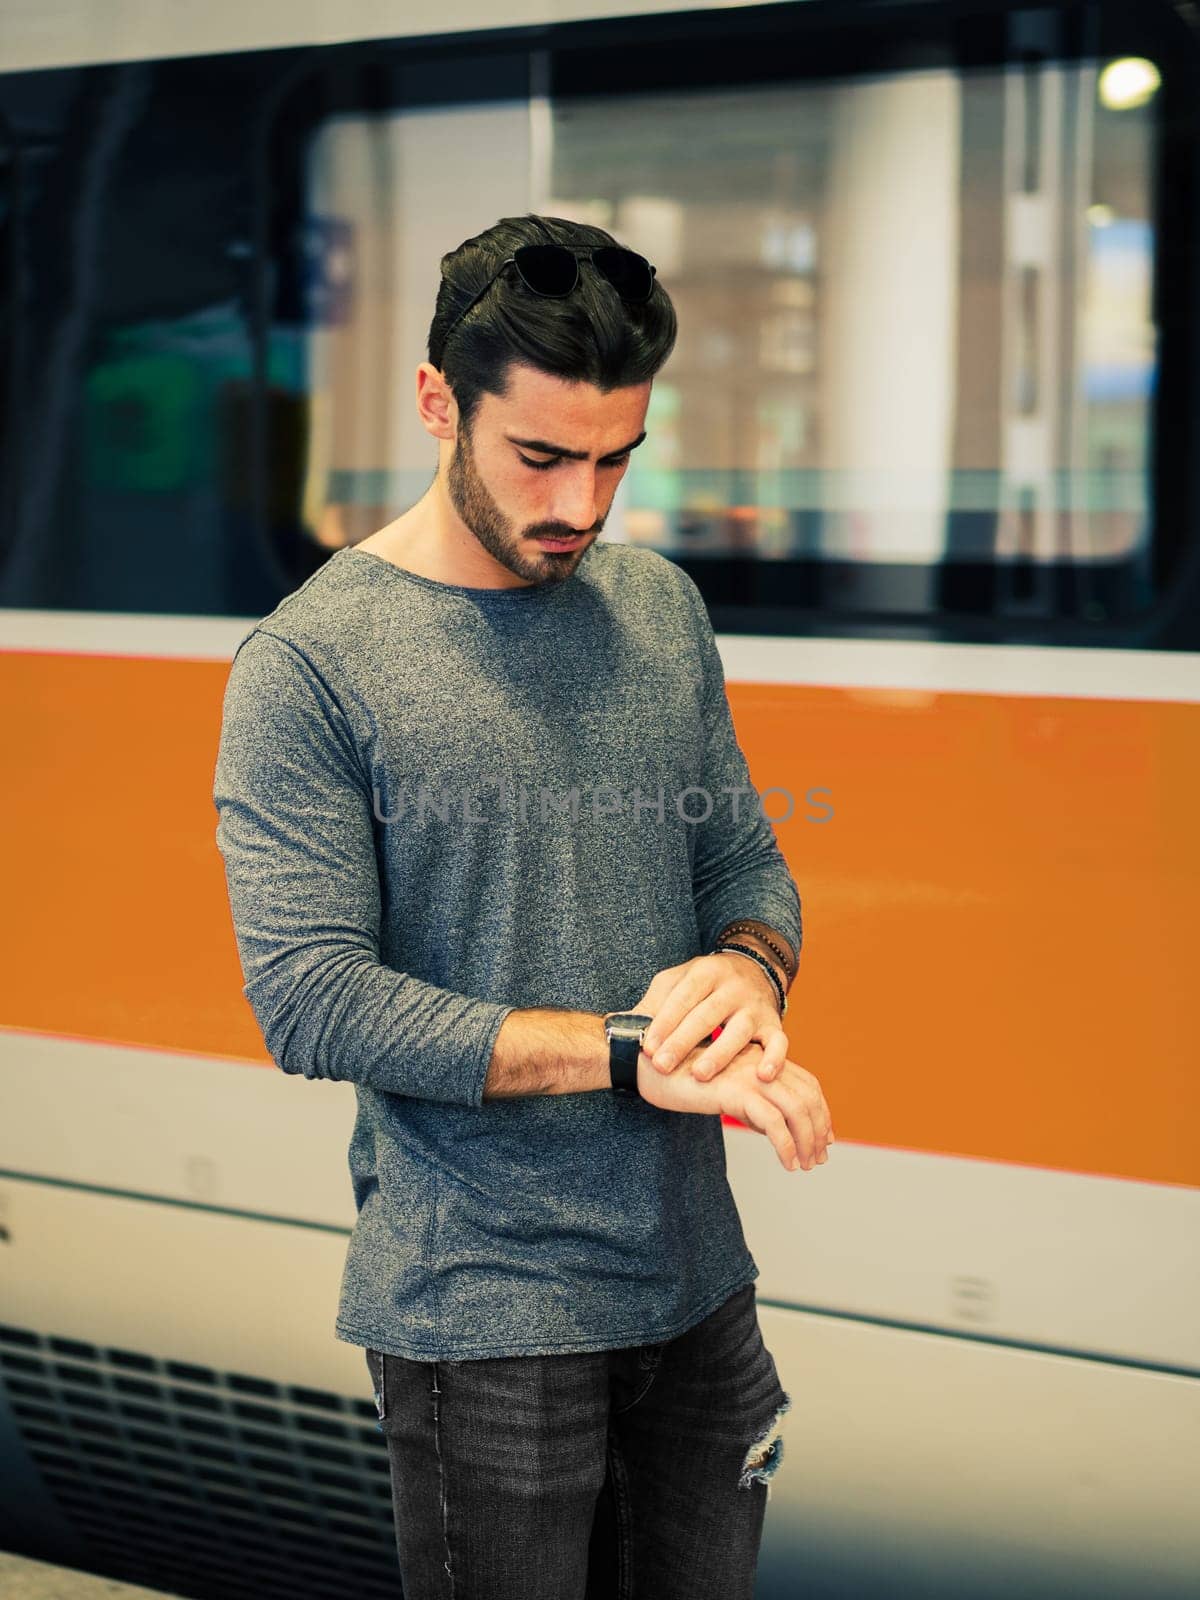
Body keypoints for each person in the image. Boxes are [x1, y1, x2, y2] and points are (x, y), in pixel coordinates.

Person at [213, 212, 834, 1600]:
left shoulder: (659, 608)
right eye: (540, 456)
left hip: (697, 1292)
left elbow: (744, 861)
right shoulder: (311, 666)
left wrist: (748, 969)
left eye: (616, 459)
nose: (580, 505)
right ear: (439, 403)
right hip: (484, 1319)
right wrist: (631, 1048)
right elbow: (312, 1000)